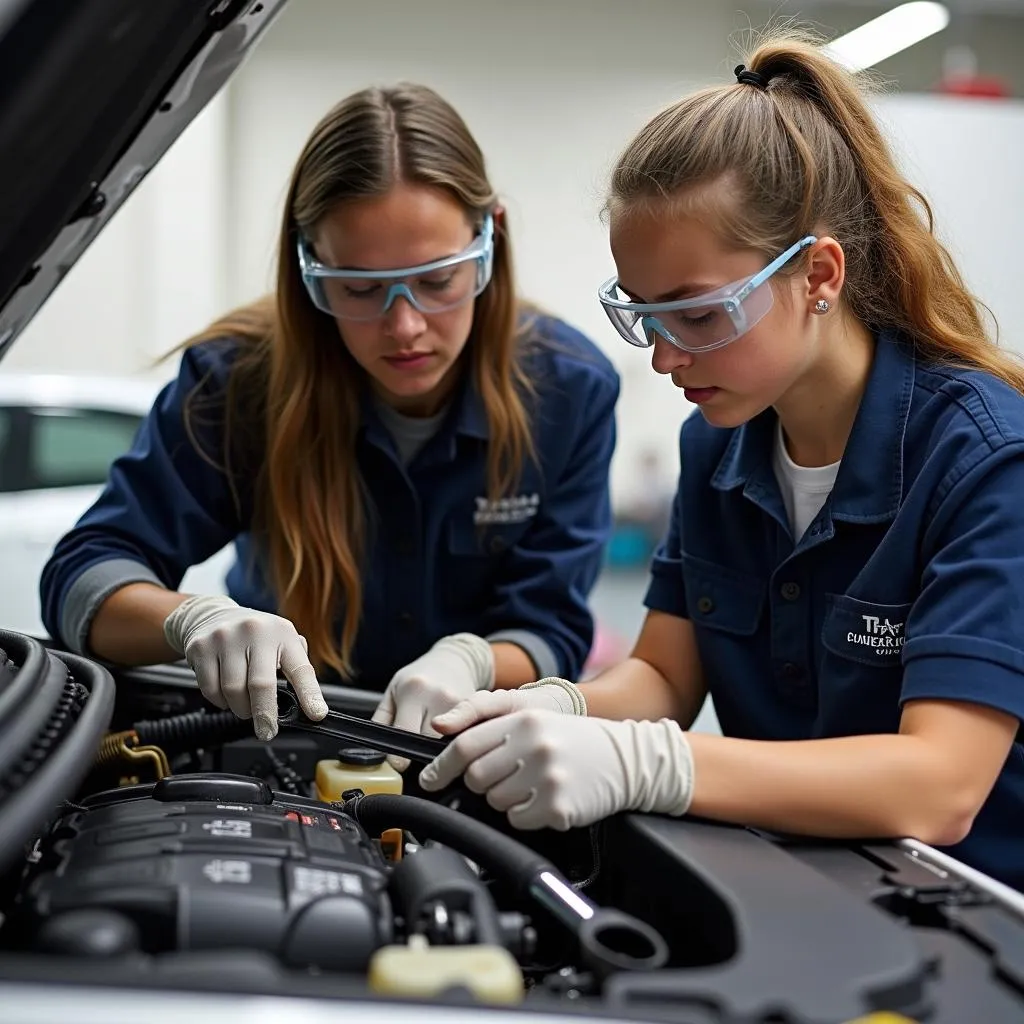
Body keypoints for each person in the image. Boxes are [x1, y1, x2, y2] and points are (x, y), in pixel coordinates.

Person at [415, 32, 1024, 892]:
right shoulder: (716, 447)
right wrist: (555, 708)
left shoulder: (985, 461)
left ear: (819, 273)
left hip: (969, 918)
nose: (666, 359)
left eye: (698, 315)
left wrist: (654, 764)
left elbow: (940, 785)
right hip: (791, 887)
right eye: (647, 318)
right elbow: (666, 672)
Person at [39, 83, 619, 748]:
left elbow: (551, 628)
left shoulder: (570, 391)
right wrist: (190, 620)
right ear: (308, 267)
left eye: (437, 280)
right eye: (360, 288)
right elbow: (82, 577)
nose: (405, 326)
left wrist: (473, 660)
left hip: (458, 751)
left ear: (492, 241)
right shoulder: (234, 384)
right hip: (273, 743)